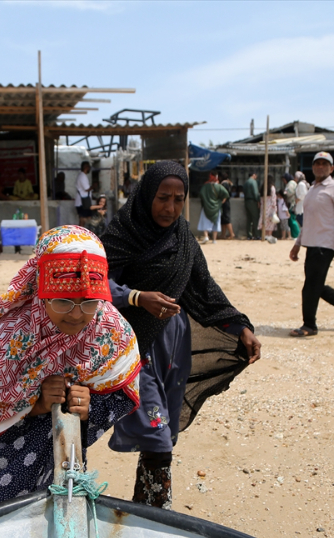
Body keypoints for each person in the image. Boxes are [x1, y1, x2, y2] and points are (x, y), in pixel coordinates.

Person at [101, 161, 261, 509]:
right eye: (163, 198)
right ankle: (159, 511)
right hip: (134, 349)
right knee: (156, 434)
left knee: (161, 437)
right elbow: (96, 282)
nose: (170, 207)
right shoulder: (123, 232)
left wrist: (240, 327)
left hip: (174, 349)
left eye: (178, 199)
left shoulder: (183, 239)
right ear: (147, 195)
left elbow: (205, 288)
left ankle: (145, 507)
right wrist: (137, 297)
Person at [0, 226, 142, 506]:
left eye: (88, 302)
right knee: (12, 515)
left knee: (65, 504)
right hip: (12, 461)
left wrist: (88, 407)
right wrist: (37, 404)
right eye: (63, 301)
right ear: (40, 291)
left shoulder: (109, 328)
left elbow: (123, 390)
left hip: (68, 452)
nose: (76, 315)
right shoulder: (9, 340)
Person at [288, 152, 334, 337]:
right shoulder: (311, 190)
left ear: (331, 168)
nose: (320, 167)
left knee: (310, 286)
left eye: (324, 164)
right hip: (311, 243)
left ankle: (309, 325)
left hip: (326, 244)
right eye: (317, 163)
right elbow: (308, 221)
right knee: (315, 285)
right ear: (312, 167)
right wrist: (297, 244)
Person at [198, 173, 228, 244]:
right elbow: (226, 194)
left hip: (206, 207)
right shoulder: (219, 187)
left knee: (205, 221)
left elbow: (201, 194)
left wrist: (206, 201)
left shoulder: (205, 187)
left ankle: (206, 236)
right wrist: (220, 202)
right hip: (216, 207)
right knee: (216, 222)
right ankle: (214, 239)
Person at [218, 174, 236, 239]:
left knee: (226, 218)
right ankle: (223, 234)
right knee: (223, 219)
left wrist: (222, 202)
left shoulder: (224, 184)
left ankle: (232, 234)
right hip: (225, 203)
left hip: (225, 203)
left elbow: (225, 195)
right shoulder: (226, 184)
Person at [243, 172, 260, 240]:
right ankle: (257, 234)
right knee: (255, 218)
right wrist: (258, 201)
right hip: (252, 201)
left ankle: (249, 235)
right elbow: (255, 193)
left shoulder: (246, 182)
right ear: (254, 175)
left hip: (246, 201)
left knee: (249, 219)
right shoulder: (253, 182)